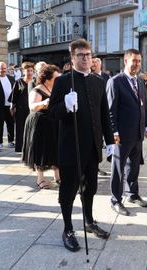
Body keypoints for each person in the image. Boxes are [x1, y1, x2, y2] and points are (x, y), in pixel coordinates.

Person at [48, 39, 114, 252]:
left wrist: (110, 141)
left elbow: (104, 115)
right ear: (72, 57)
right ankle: (67, 228)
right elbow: (51, 113)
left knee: (90, 188)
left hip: (93, 147)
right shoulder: (63, 82)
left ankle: (89, 220)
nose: (85, 58)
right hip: (71, 146)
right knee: (68, 190)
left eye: (87, 54)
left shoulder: (98, 81)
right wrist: (65, 105)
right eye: (80, 55)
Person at [107, 48, 147, 216]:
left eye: (139, 61)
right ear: (126, 61)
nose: (137, 64)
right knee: (118, 168)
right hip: (121, 135)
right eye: (134, 61)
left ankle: (132, 194)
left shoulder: (140, 82)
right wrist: (114, 132)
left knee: (133, 166)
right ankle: (115, 200)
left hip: (137, 132)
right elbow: (110, 110)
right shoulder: (115, 81)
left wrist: (146, 125)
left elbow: (144, 105)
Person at [22, 64, 60, 189]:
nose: (58, 78)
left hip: (52, 123)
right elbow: (32, 106)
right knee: (40, 150)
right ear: (47, 78)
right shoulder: (37, 89)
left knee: (55, 149)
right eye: (56, 77)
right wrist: (44, 103)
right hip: (39, 123)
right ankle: (40, 178)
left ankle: (57, 176)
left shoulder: (55, 88)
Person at [10, 61, 34, 152]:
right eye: (27, 70)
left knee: (31, 128)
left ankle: (30, 146)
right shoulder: (18, 82)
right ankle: (20, 147)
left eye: (31, 70)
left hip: (32, 109)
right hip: (20, 110)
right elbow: (13, 96)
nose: (29, 72)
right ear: (23, 71)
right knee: (20, 129)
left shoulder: (35, 81)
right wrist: (12, 107)